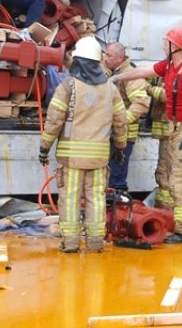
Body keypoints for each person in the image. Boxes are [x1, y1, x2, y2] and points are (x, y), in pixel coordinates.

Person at [112, 27, 182, 243]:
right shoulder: (170, 65)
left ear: (176, 47)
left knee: (179, 179)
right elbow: (145, 72)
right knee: (175, 177)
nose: (163, 44)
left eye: (166, 42)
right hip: (179, 125)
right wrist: (119, 77)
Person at [39, 36, 127, 253]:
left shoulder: (69, 86)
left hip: (71, 160)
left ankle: (70, 244)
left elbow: (54, 120)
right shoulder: (109, 89)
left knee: (69, 199)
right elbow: (121, 120)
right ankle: (95, 243)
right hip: (98, 159)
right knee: (96, 199)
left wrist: (44, 147)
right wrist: (121, 147)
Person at [101, 41, 151, 191]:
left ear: (119, 58)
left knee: (116, 180)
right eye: (104, 54)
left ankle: (119, 209)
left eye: (108, 55)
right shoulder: (110, 71)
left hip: (122, 136)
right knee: (107, 178)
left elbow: (141, 105)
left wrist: (120, 122)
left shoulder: (131, 76)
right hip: (108, 134)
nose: (104, 58)